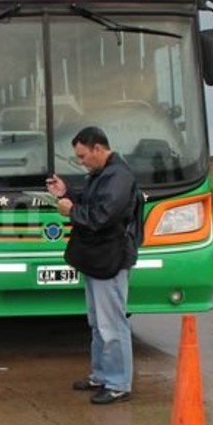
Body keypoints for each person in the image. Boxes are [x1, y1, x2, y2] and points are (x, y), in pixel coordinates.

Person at [46, 126, 144, 405]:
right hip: (97, 258)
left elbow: (102, 216)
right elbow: (93, 201)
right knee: (98, 323)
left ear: (98, 149)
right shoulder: (103, 174)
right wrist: (67, 192)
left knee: (112, 324)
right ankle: (102, 375)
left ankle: (118, 384)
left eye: (83, 156)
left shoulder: (119, 177)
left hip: (110, 258)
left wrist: (71, 210)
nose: (81, 162)